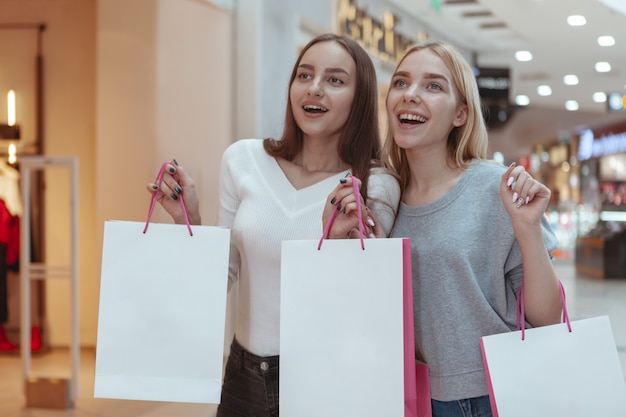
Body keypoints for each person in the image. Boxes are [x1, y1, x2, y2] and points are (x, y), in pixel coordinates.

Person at [147, 33, 400, 417]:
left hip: (328, 380)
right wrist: (189, 222)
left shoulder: (374, 184)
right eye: (304, 75)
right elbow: (220, 280)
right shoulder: (244, 160)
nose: (314, 89)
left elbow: (363, 307)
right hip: (243, 377)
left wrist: (336, 243)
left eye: (335, 80)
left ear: (360, 98)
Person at [326, 40, 562, 417]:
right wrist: (342, 238)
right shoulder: (384, 197)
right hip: (413, 397)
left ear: (461, 114)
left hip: (495, 394)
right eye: (401, 83)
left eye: (433, 86)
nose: (411, 95)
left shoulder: (494, 187)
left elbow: (548, 317)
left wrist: (528, 229)